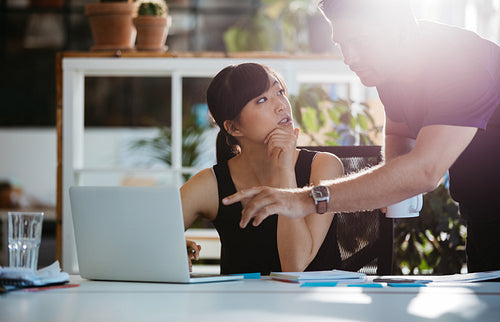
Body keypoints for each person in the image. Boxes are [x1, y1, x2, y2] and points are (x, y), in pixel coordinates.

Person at [223, 0, 500, 273]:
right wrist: (395, 184)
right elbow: (398, 130)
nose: (349, 57)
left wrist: (304, 199)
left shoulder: (463, 65)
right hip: (483, 215)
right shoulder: (392, 65)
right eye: (341, 44)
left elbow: (426, 171)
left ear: (401, 32)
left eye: (361, 42)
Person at [181, 63, 345, 275]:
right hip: (242, 306)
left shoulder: (324, 168)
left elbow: (294, 266)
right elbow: (148, 235)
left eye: (280, 92)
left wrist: (285, 171)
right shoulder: (212, 183)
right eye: (262, 100)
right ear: (233, 127)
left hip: (313, 305)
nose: (281, 105)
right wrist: (171, 248)